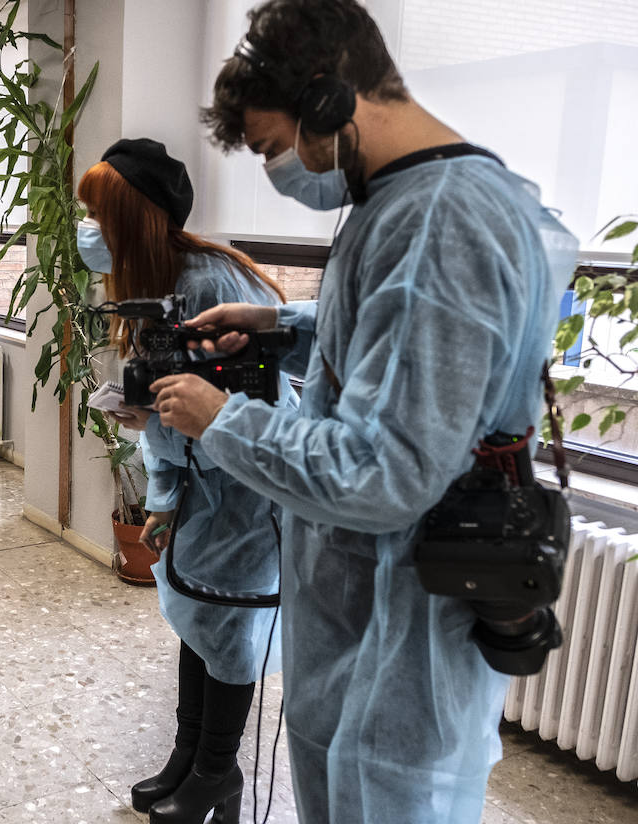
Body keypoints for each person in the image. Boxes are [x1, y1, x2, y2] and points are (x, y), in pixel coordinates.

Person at [146, 2, 580, 822]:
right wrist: (281, 324)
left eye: (276, 147)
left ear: (328, 100)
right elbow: (405, 343)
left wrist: (221, 418)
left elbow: (383, 472)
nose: (282, 170)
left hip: (394, 654)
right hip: (366, 628)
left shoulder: (436, 221)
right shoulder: (416, 200)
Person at [77, 138, 293, 824]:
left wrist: (164, 426)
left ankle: (216, 775)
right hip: (205, 492)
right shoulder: (159, 282)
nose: (90, 233)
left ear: (135, 220)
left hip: (245, 498)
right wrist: (163, 490)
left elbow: (238, 420)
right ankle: (186, 758)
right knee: (198, 624)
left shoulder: (207, 287)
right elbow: (179, 410)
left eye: (100, 217)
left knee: (225, 628)